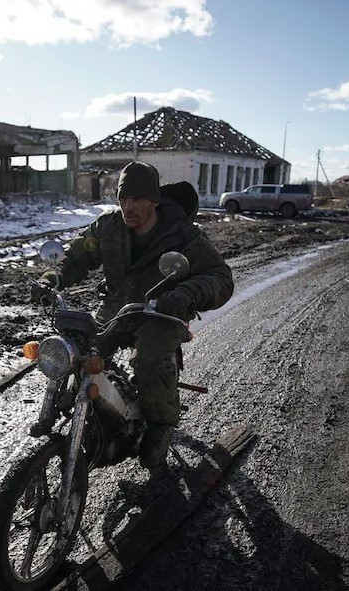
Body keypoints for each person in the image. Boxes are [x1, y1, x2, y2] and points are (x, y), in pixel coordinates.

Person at [31, 161, 234, 469]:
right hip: (117, 308)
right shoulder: (107, 227)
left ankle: (159, 426)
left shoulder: (182, 235)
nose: (128, 206)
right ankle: (87, 412)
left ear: (154, 200)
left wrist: (184, 294)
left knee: (151, 357)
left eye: (137, 199)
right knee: (78, 350)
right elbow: (77, 257)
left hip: (162, 313)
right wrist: (54, 278)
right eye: (123, 198)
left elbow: (220, 277)